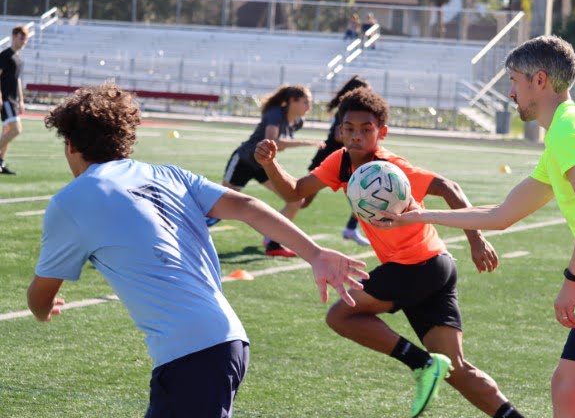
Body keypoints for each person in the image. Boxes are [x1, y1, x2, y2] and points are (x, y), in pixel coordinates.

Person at [376, 35, 575, 418]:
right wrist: (419, 216)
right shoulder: (564, 132)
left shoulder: (568, 130)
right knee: (567, 387)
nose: (509, 92)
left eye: (514, 80)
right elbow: (502, 215)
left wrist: (572, 280)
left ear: (539, 81)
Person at [27, 82, 369, 418]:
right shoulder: (168, 175)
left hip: (192, 357)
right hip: (226, 341)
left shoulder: (72, 200)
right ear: (124, 138)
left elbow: (42, 293)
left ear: (70, 144)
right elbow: (248, 206)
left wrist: (42, 311)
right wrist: (315, 253)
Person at [255, 88, 525, 418]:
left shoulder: (388, 167)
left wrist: (476, 238)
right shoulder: (339, 163)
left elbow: (448, 188)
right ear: (340, 131)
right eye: (349, 129)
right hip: (430, 267)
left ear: (381, 132)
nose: (356, 136)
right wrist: (270, 164)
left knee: (341, 315)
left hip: (419, 266)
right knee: (456, 369)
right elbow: (295, 191)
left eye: (366, 129)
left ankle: (423, 365)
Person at [220, 84, 324, 257]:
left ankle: (273, 241)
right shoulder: (276, 113)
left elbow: (276, 147)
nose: (309, 107)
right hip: (245, 161)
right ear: (292, 101)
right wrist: (307, 142)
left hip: (265, 164)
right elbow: (271, 142)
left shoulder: (297, 122)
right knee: (219, 203)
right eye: (306, 102)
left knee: (295, 200)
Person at [303, 75, 371, 246]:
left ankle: (350, 229)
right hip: (328, 159)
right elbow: (338, 136)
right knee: (302, 201)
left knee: (363, 196)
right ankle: (273, 233)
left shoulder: (356, 111)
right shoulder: (346, 111)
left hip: (346, 161)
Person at [0, 25, 30, 175]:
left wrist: (21, 100)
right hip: (5, 99)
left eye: (26, 38)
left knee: (7, 131)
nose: (24, 41)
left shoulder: (18, 58)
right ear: (14, 36)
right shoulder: (5, 55)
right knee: (16, 130)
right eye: (21, 37)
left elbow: (16, 80)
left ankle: (0, 163)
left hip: (13, 100)